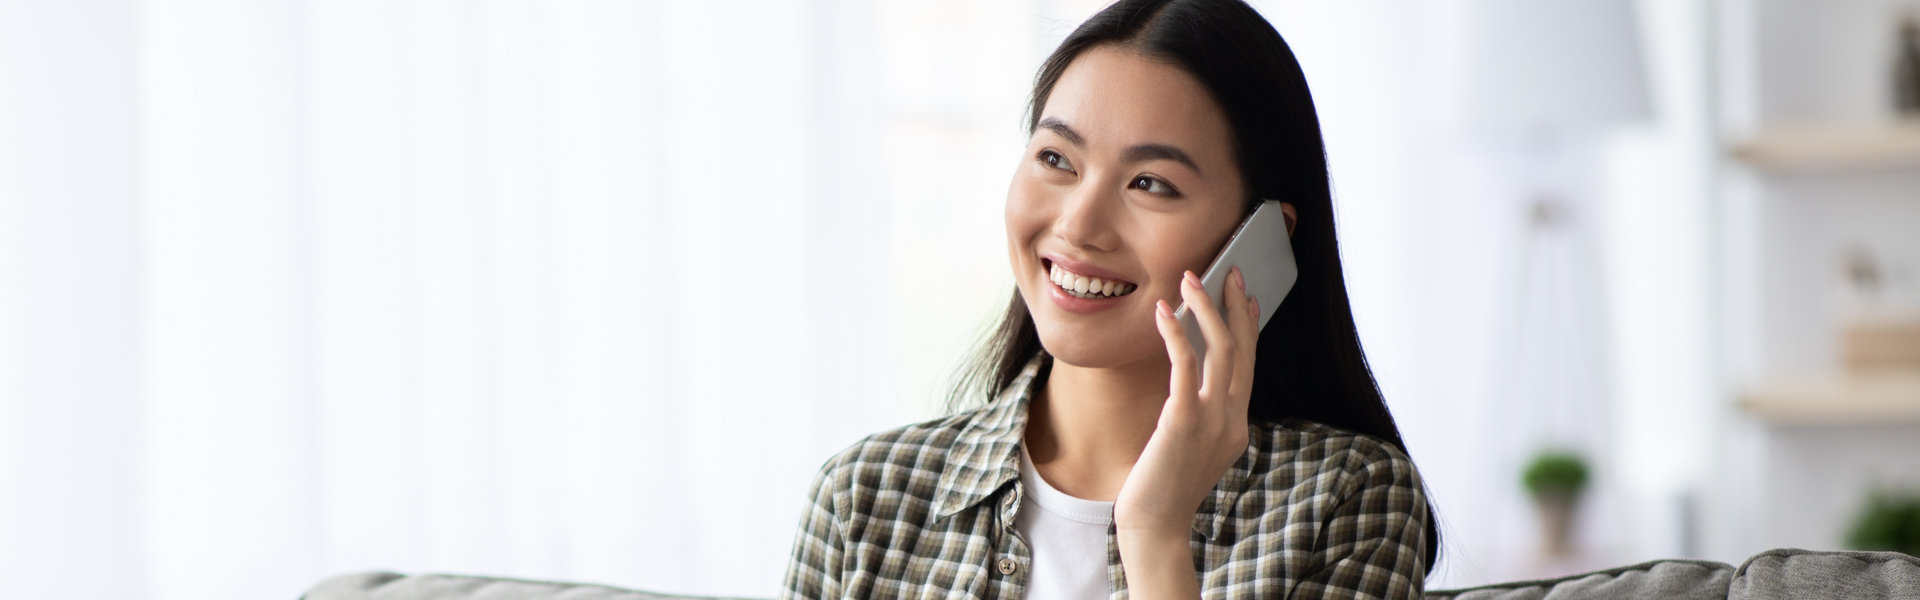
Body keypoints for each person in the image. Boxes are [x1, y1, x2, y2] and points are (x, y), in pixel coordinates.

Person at [781, 0, 1439, 597]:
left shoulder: (1348, 500)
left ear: (1260, 239)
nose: (1078, 225)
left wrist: (1154, 533)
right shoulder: (861, 501)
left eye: (1150, 183)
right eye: (1057, 160)